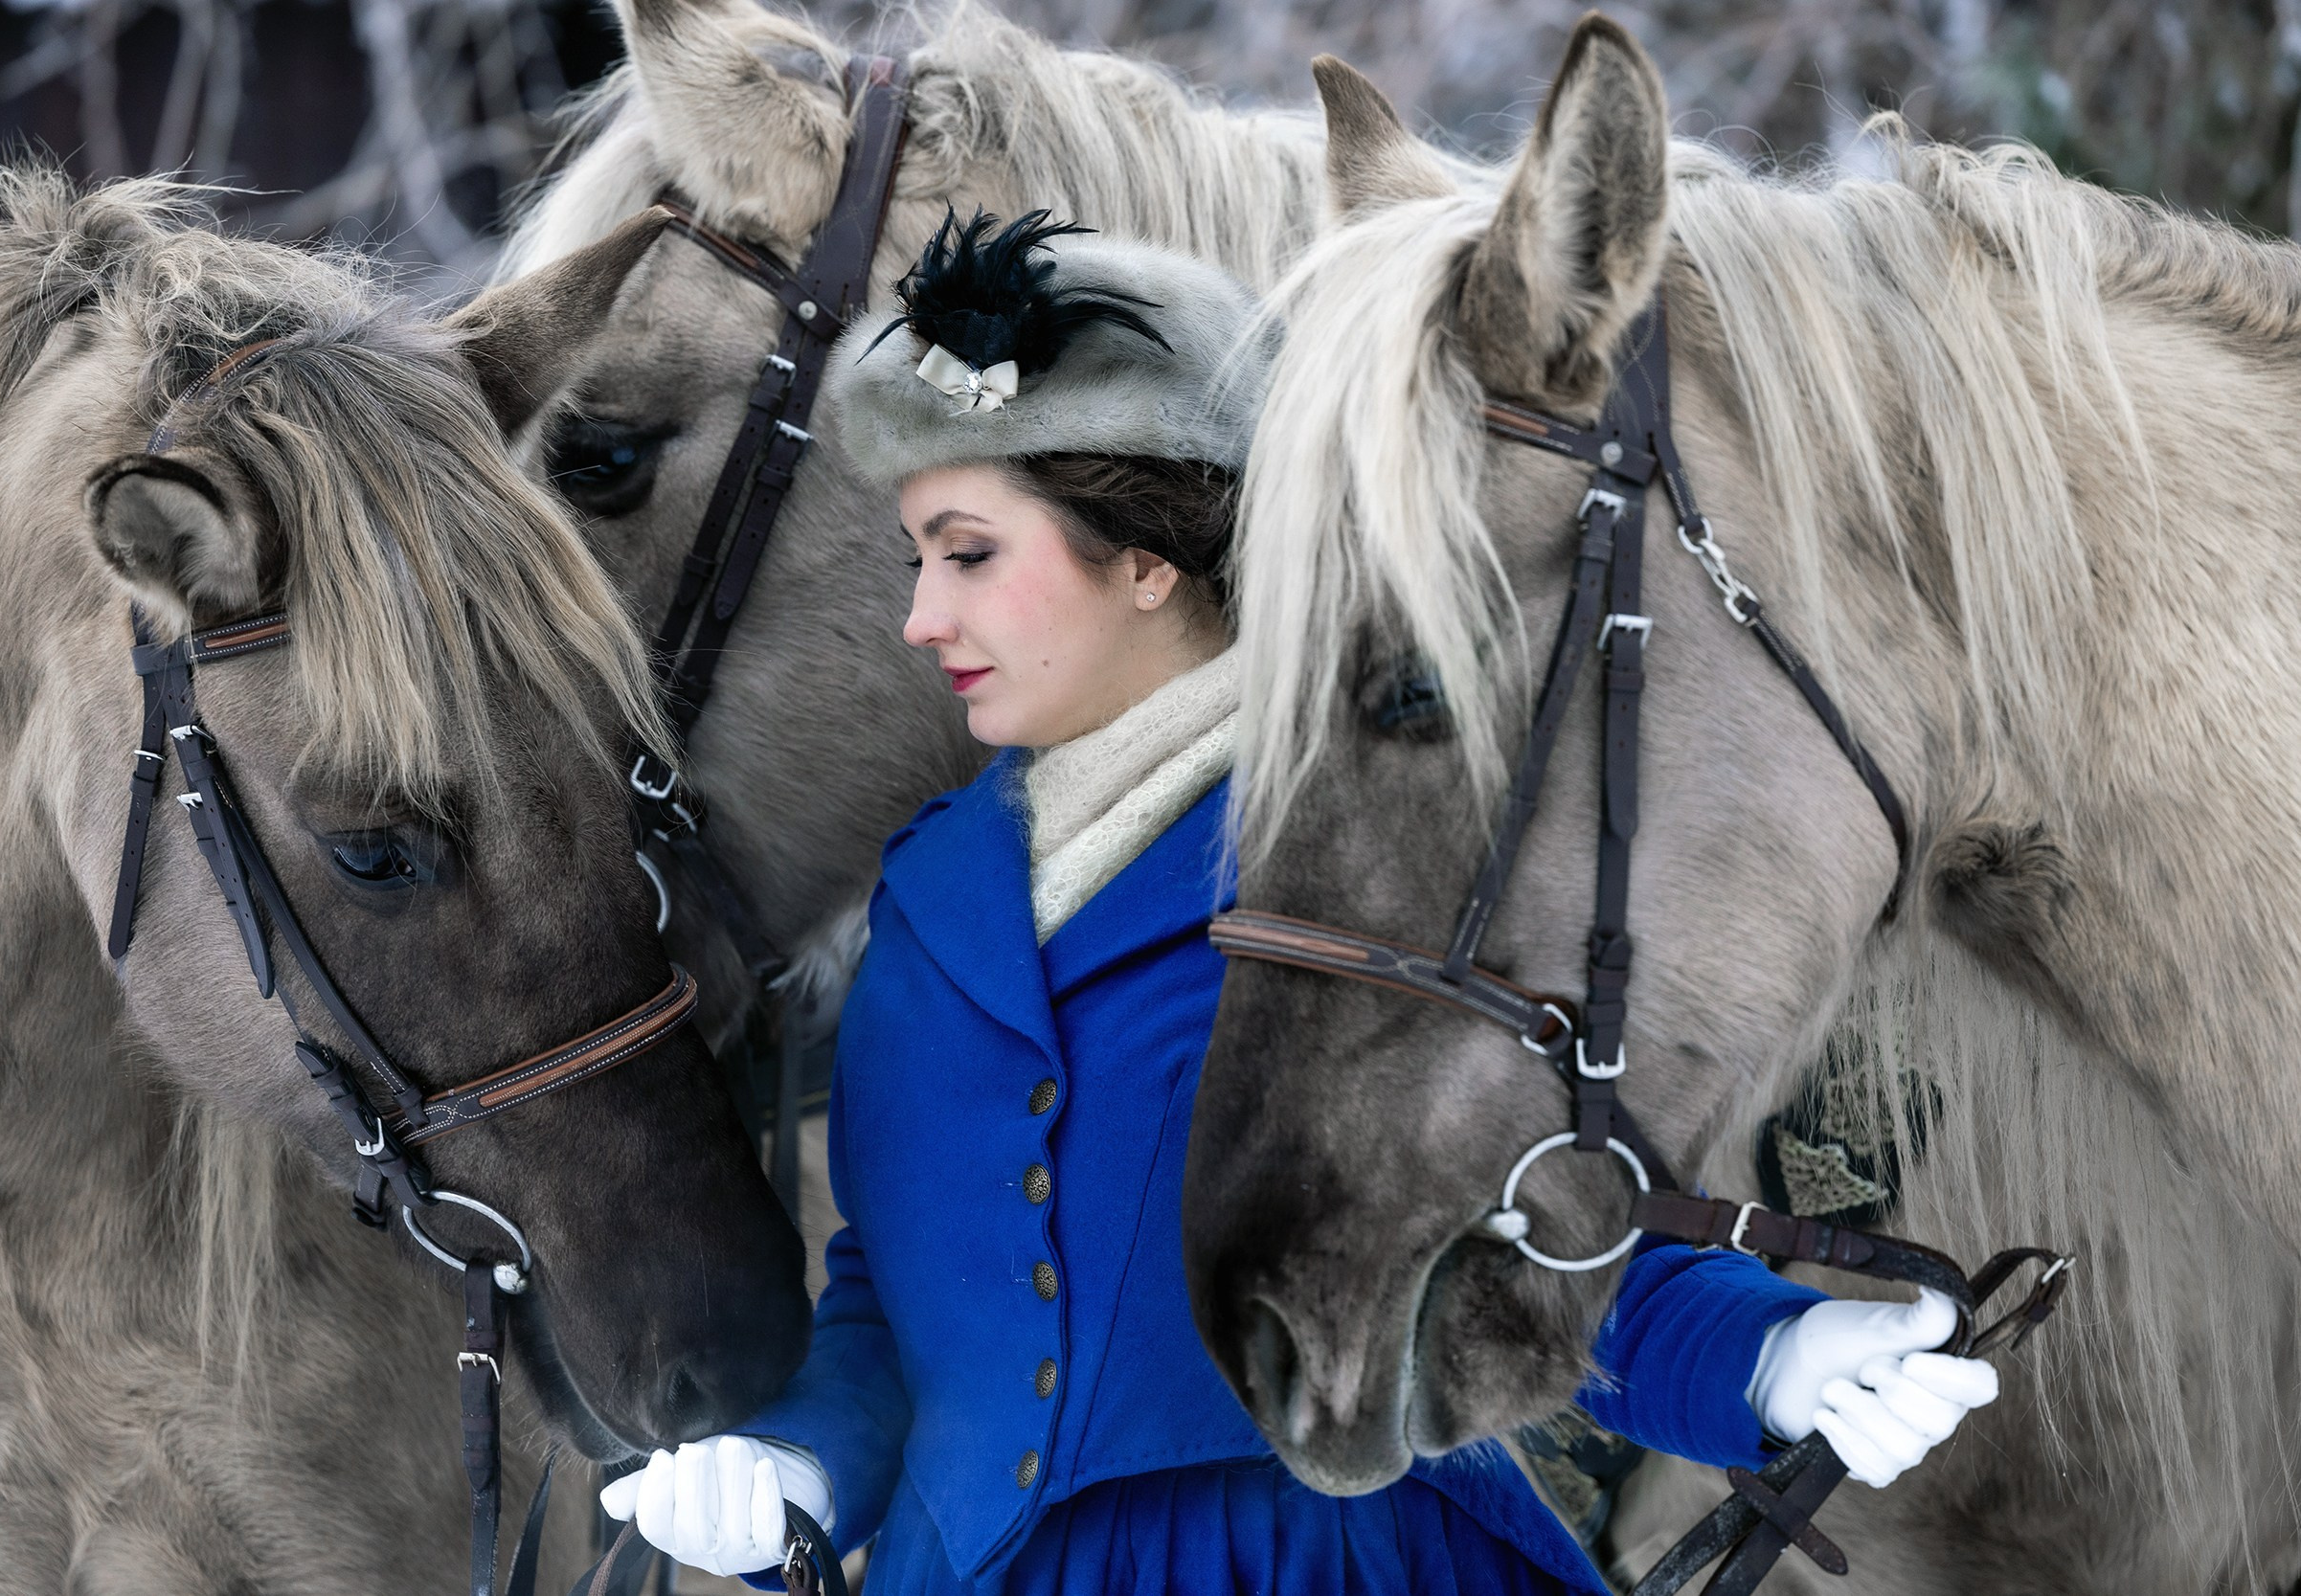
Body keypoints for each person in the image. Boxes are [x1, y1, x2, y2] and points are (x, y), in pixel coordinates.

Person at [599, 210, 1998, 1595]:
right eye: (916, 559)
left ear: (1145, 556)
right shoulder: (925, 893)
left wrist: (1768, 1354)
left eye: (967, 553)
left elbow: (1511, 1218)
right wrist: (796, 1468)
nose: (921, 617)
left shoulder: (1360, 866)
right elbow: (896, 1309)